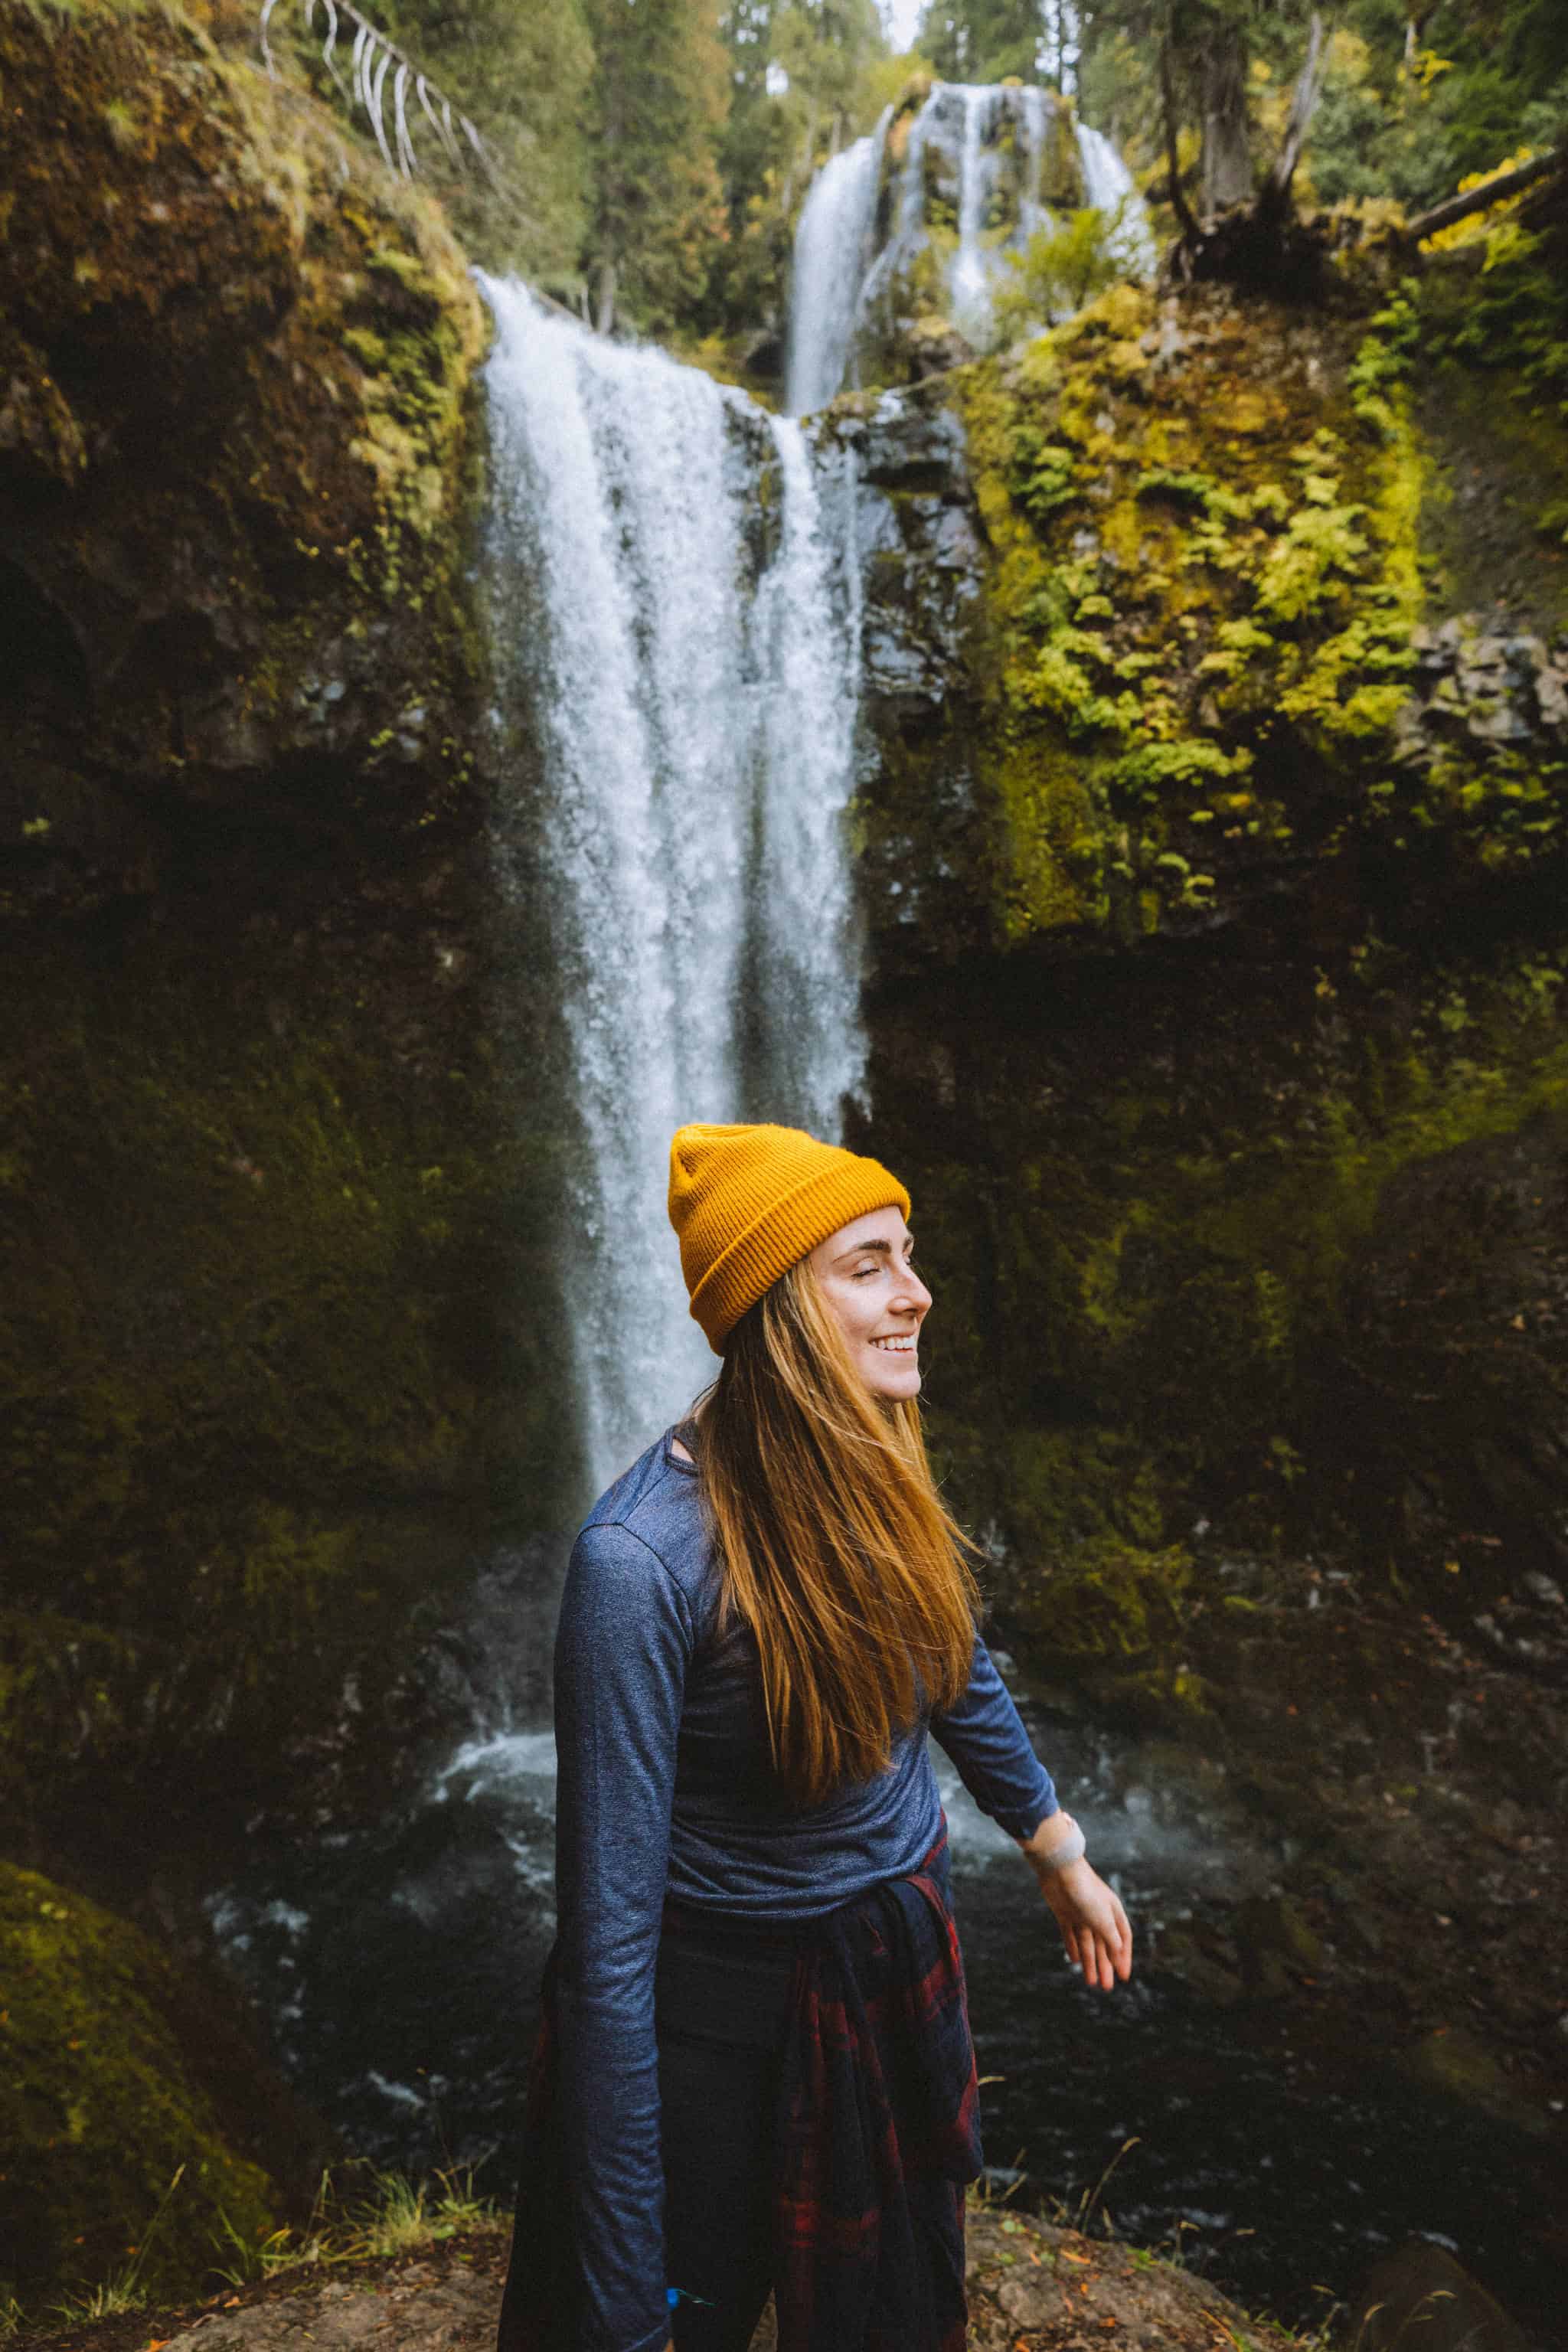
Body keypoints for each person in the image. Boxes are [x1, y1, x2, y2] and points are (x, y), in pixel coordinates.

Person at [496, 1122, 1133, 2352]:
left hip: (892, 1954)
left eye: (911, 1255)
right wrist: (626, 2316)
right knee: (695, 2300)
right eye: (872, 1265)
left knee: (891, 2318)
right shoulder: (636, 1565)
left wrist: (1052, 1841)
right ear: (784, 1307)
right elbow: (607, 1957)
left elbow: (950, 1657)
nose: (918, 1292)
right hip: (717, 2013)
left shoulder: (874, 1451)